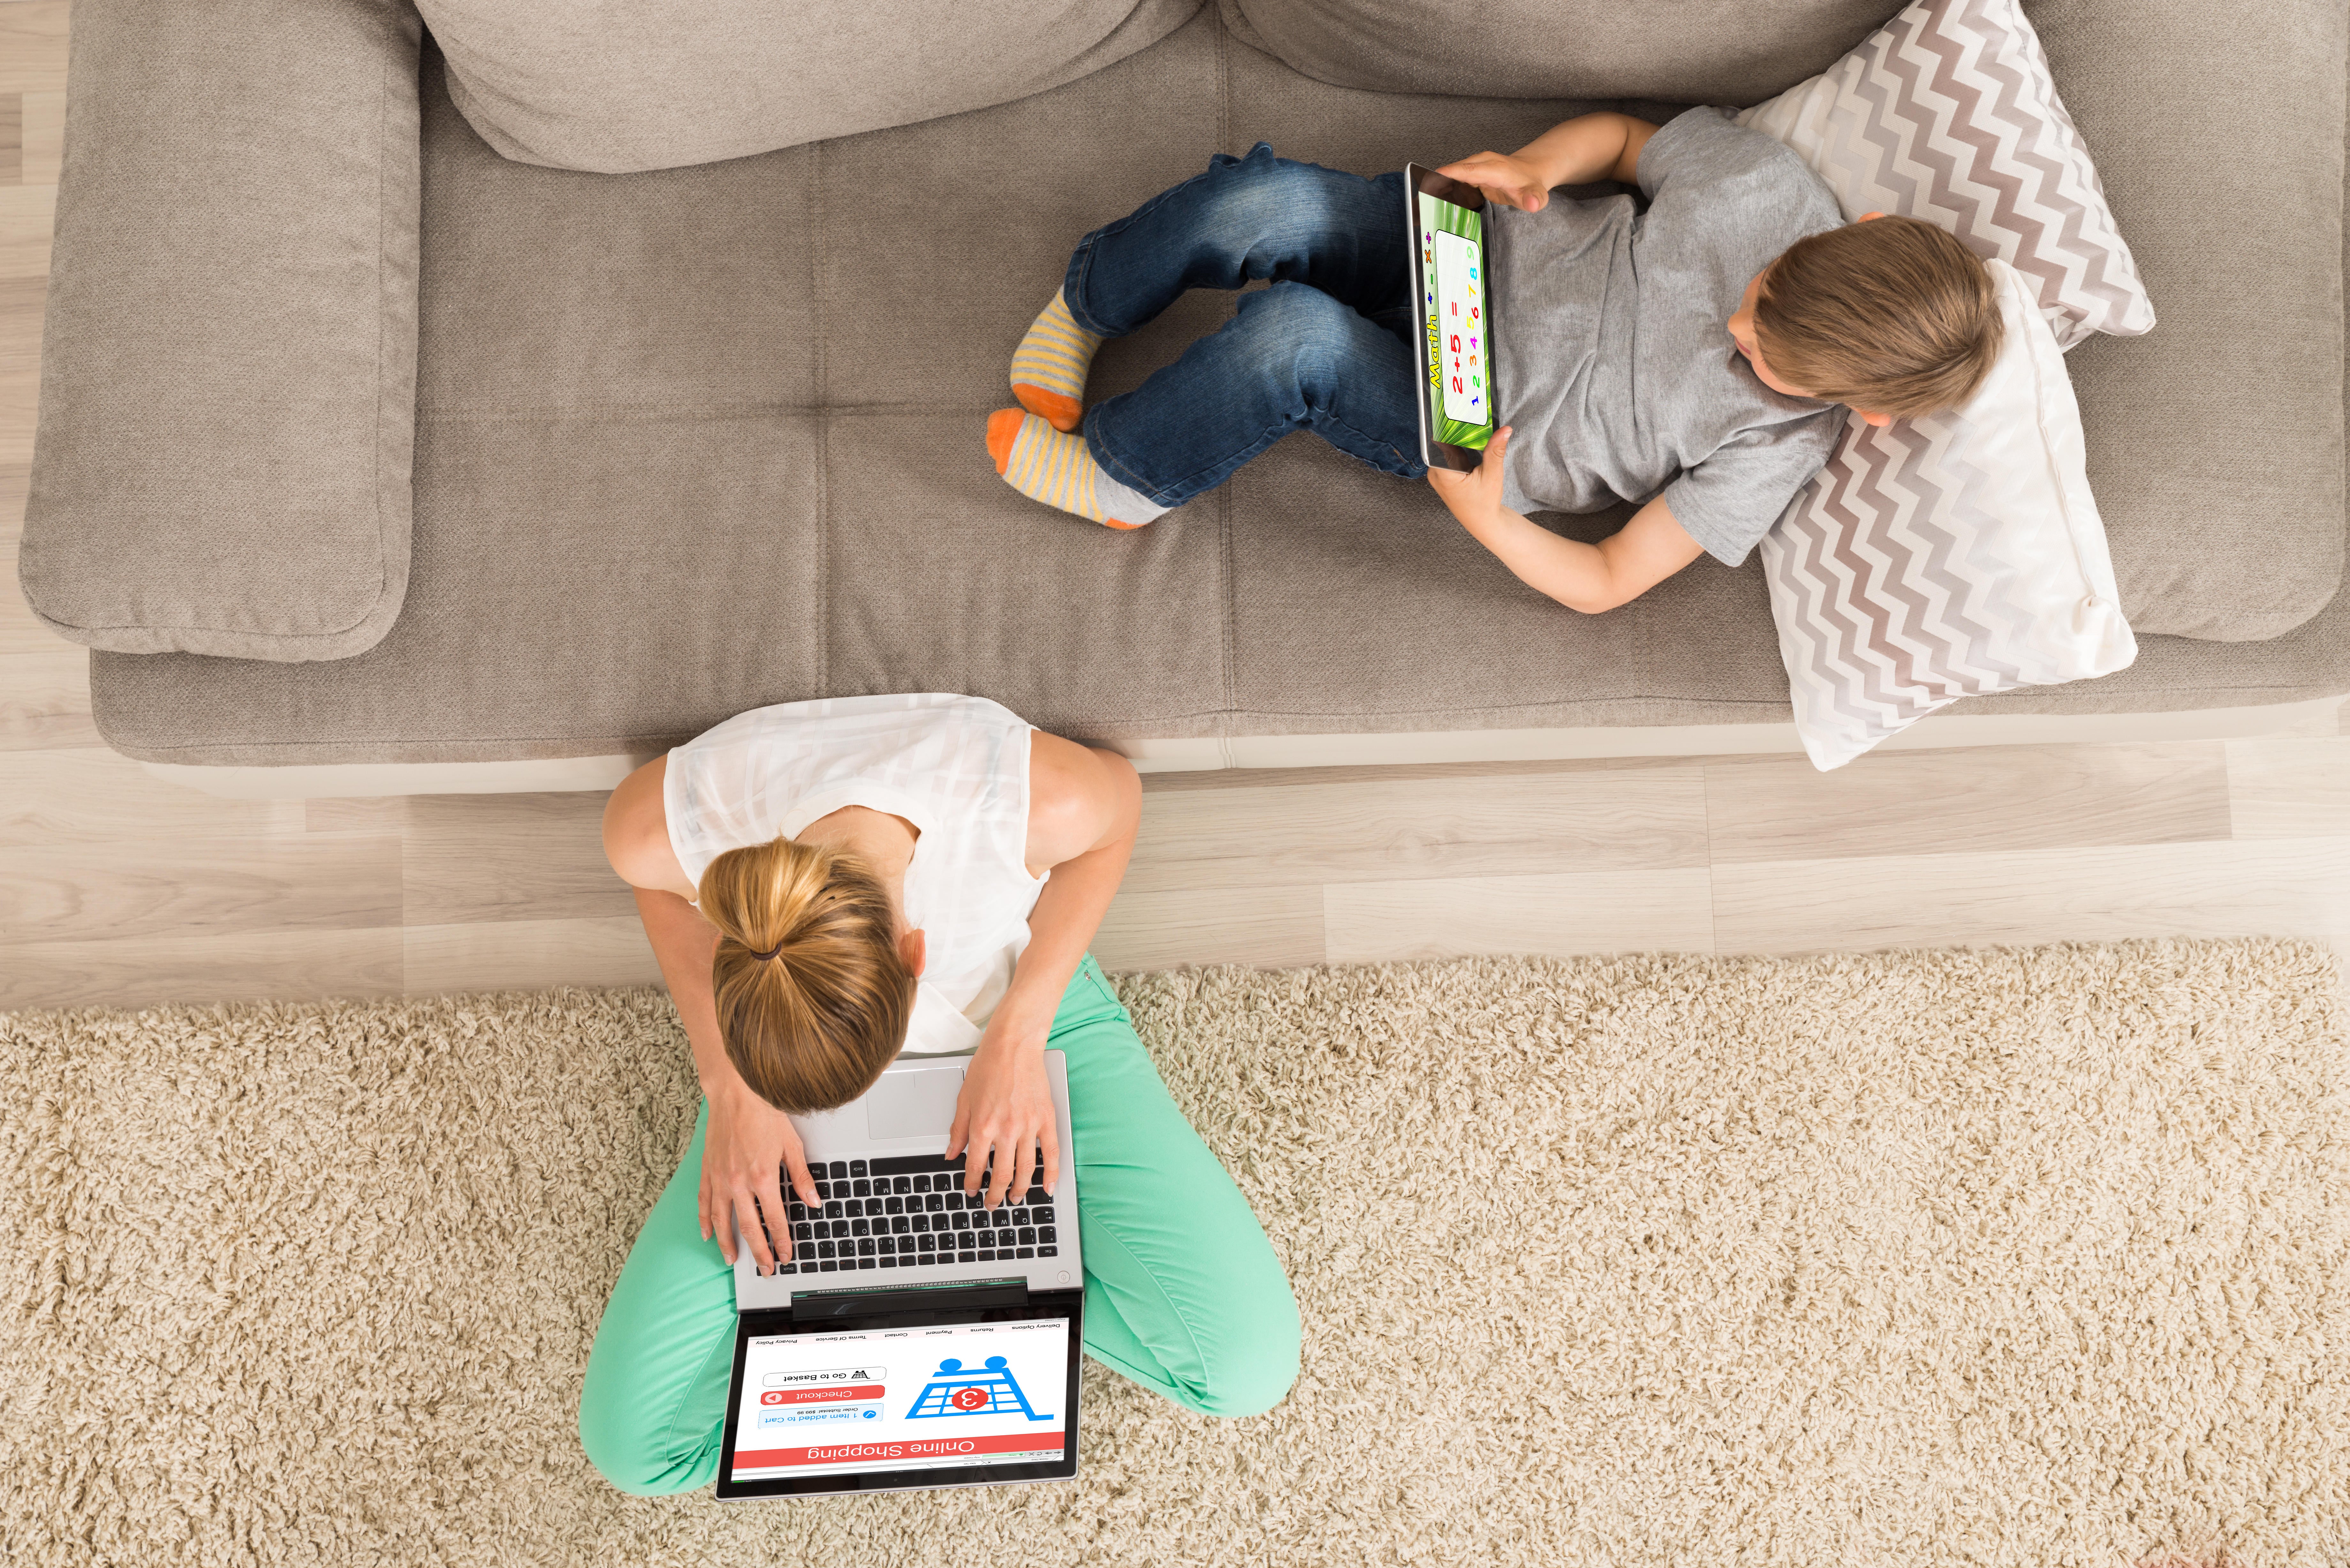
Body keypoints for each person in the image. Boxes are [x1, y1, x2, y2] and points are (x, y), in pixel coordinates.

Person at [579, 692, 1300, 1495]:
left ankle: (943, 1273)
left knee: (1244, 1370)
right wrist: (733, 1085)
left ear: (919, 954)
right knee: (633, 1453)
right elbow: (652, 885)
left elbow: (1119, 804)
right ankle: (957, 1267)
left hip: (1020, 1025)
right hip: (792, 1048)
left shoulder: (1024, 801)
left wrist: (1020, 1031)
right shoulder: (666, 822)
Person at [987, 109, 2003, 611]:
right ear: (1851, 227)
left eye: (1771, 359)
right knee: (1264, 202)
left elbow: (1608, 578)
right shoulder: (1764, 189)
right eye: (1763, 293)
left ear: (1859, 413)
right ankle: (1091, 306)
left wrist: (1486, 519)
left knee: (1293, 337)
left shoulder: (1780, 445)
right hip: (1461, 252)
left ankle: (1128, 477)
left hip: (1461, 416)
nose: (1740, 332)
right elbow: (1625, 137)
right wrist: (1536, 168)